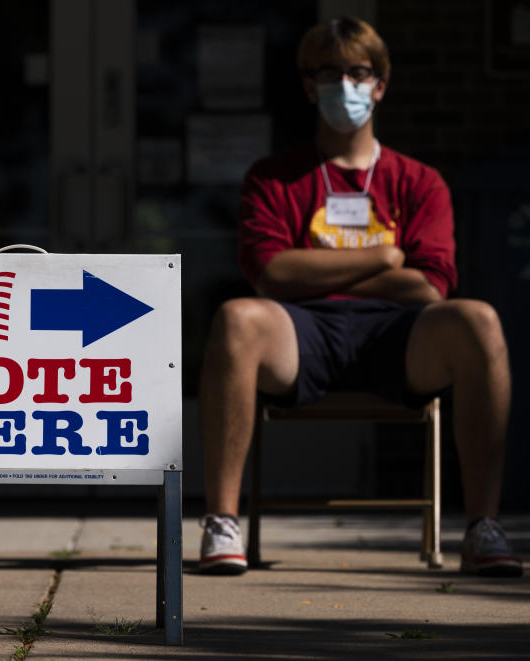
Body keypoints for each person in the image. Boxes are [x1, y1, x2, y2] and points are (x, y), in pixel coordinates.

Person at [197, 16, 522, 578]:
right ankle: (221, 522)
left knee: (479, 321)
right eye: (328, 73)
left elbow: (430, 284)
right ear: (307, 85)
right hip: (302, 332)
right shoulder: (273, 178)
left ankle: (482, 527)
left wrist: (319, 270)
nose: (344, 85)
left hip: (399, 336)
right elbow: (271, 275)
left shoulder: (419, 182)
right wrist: (384, 258)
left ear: (381, 83)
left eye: (358, 72)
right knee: (236, 319)